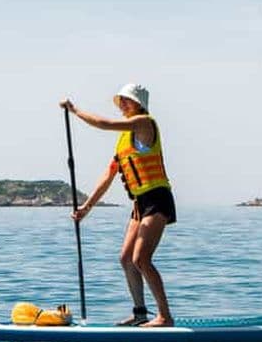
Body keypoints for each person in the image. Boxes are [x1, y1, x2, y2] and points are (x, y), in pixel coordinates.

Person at [60, 83, 176, 327]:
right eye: (120, 100)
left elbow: (104, 124)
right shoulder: (124, 140)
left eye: (127, 100)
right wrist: (86, 208)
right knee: (126, 258)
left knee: (141, 258)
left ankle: (165, 316)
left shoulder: (145, 122)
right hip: (139, 203)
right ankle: (140, 313)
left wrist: (75, 110)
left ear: (139, 103)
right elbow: (108, 176)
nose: (122, 104)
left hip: (157, 198)